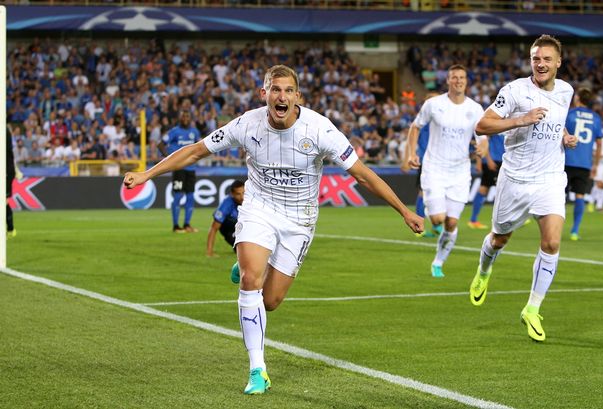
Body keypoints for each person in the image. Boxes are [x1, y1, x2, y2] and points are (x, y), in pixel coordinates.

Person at [124, 65, 423, 395]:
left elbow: (363, 175)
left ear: (298, 96)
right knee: (251, 281)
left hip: (299, 220)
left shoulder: (321, 130)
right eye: (275, 89)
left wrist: (404, 210)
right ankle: (257, 369)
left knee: (271, 301)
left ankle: (251, 264)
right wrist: (147, 174)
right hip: (259, 209)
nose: (281, 96)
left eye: (288, 90)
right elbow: (196, 150)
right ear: (263, 94)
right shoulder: (246, 124)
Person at [469, 34, 577, 342]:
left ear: (558, 62)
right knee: (499, 238)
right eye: (535, 59)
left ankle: (532, 308)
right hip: (515, 179)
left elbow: (555, 121)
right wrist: (521, 120)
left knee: (553, 242)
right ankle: (484, 271)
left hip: (550, 179)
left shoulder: (566, 91)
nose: (540, 64)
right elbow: (482, 125)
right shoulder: (514, 91)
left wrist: (564, 136)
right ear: (530, 61)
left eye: (546, 59)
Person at [404, 65, 486, 278]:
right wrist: (411, 154)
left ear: (466, 82)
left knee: (452, 222)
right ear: (448, 81)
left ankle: (438, 262)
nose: (458, 81)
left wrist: (482, 148)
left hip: (460, 172)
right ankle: (436, 225)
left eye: (462, 78)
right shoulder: (433, 104)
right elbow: (415, 127)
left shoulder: (476, 109)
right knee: (439, 219)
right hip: (434, 169)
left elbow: (483, 137)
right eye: (454, 77)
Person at [564, 87, 603, 240]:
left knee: (560, 196)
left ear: (577, 98)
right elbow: (599, 144)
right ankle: (574, 231)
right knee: (580, 196)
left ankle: (555, 226)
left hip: (566, 160)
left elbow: (560, 132)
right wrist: (596, 165)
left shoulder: (570, 114)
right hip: (585, 163)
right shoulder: (596, 118)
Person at [401, 91, 442, 238]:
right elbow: (410, 139)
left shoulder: (440, 120)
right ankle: (420, 226)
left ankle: (437, 225)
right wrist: (406, 160)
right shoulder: (423, 121)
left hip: (442, 162)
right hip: (427, 161)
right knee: (423, 193)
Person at [158, 109, 201, 233]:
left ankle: (187, 225)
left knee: (190, 196)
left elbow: (199, 147)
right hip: (179, 169)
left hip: (191, 169)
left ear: (190, 118)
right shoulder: (174, 131)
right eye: (183, 116)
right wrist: (168, 158)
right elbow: (160, 144)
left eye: (187, 116)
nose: (185, 118)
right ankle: (176, 226)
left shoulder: (194, 132)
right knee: (178, 195)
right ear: (180, 118)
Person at [468, 133, 505, 229]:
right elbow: (483, 142)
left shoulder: (506, 123)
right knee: (489, 189)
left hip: (502, 161)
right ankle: (473, 219)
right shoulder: (495, 123)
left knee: (485, 189)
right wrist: (488, 160)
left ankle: (473, 220)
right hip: (493, 161)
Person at [206, 180, 245, 260]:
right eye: (238, 194)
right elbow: (214, 228)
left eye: (243, 193)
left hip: (245, 227)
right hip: (230, 230)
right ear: (232, 194)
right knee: (245, 251)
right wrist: (209, 252)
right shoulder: (226, 205)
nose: (242, 197)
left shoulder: (250, 201)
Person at [6, 127, 17, 238]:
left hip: (7, 171)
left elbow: (9, 151)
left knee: (4, 201)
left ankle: (10, 228)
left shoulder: (5, 131)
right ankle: (10, 228)